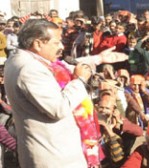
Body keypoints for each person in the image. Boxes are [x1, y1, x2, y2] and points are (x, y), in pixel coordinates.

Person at [4, 19, 128, 167]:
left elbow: (60, 66)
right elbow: (58, 108)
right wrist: (80, 80)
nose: (62, 47)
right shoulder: (29, 69)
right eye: (56, 43)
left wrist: (98, 59)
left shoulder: (24, 59)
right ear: (38, 44)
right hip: (54, 156)